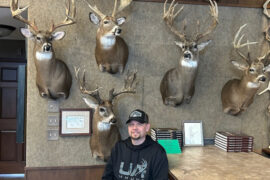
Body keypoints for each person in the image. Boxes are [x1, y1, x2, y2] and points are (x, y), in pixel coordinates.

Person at [102, 109, 169, 180]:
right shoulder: (118, 148)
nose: (134, 128)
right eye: (131, 124)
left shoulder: (158, 152)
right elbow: (107, 177)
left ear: (147, 127)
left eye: (139, 124)